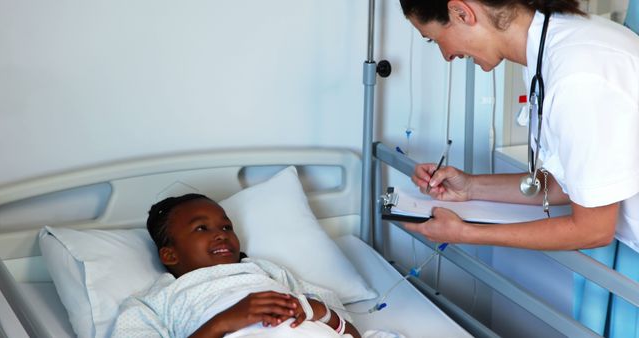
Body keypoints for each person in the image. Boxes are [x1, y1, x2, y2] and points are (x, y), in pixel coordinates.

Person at [398, 0, 639, 336]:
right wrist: (470, 187)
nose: (446, 55)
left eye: (434, 38)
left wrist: (466, 233)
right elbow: (569, 183)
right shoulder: (553, 50)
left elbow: (593, 229)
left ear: (462, 13)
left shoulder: (578, 73)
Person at [111, 193, 361, 338]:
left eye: (226, 227)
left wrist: (320, 312)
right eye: (201, 228)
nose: (221, 234)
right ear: (170, 255)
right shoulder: (155, 301)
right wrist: (225, 322)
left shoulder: (263, 270)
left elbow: (351, 332)